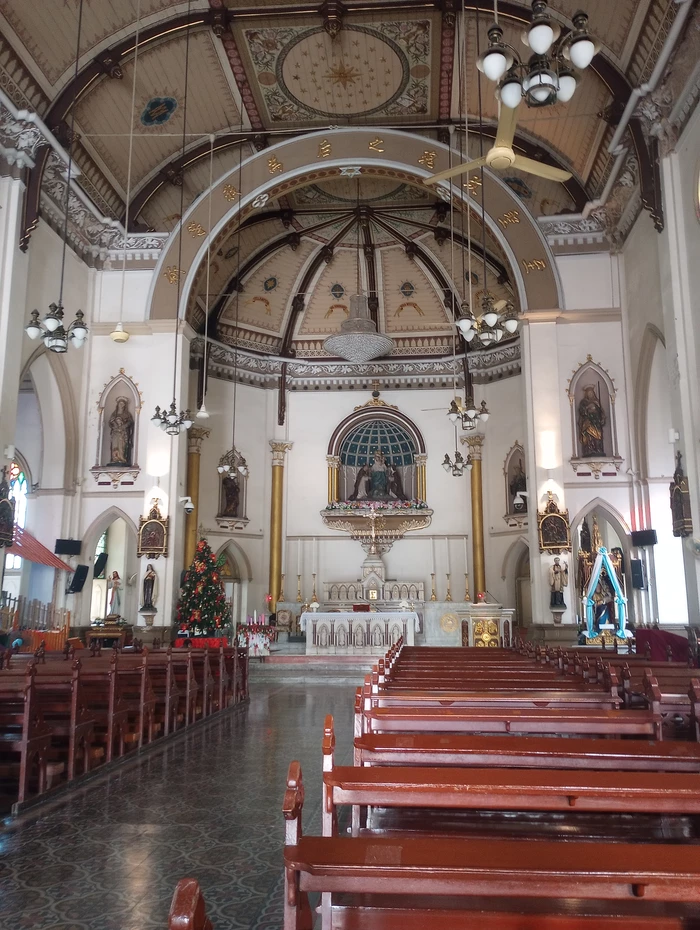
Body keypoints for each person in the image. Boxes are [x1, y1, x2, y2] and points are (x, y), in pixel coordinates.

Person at [577, 384, 606, 457]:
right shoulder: (584, 402)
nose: (590, 394)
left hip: (596, 421)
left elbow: (601, 412)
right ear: (586, 394)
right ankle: (589, 450)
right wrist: (588, 407)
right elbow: (581, 411)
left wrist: (602, 417)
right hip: (588, 421)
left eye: (591, 393)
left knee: (598, 434)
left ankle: (598, 449)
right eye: (589, 393)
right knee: (589, 435)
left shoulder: (597, 401)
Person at [108, 397, 134, 466]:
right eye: (120, 403)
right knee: (114, 446)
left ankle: (122, 458)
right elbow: (110, 422)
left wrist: (124, 426)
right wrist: (114, 425)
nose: (121, 405)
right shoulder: (114, 414)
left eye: (123, 404)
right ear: (118, 404)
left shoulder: (127, 414)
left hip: (123, 433)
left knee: (121, 446)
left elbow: (130, 422)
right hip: (115, 433)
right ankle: (115, 459)